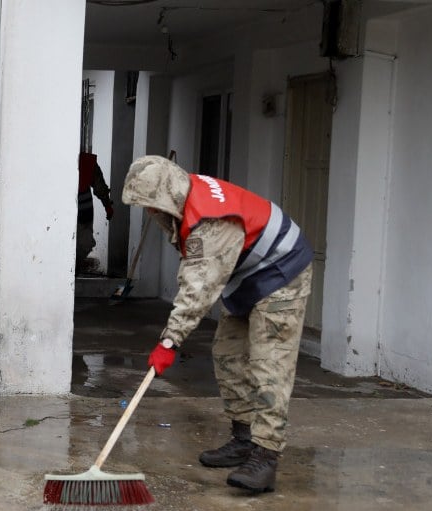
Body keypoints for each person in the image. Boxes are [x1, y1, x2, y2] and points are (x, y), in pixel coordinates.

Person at [120, 154, 313, 493]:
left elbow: (197, 289)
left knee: (270, 364)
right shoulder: (184, 196)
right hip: (246, 274)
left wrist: (169, 342)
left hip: (282, 271)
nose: (149, 213)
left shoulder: (211, 220)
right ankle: (243, 439)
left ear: (166, 195)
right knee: (227, 353)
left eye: (150, 206)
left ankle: (266, 456)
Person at [76, 151, 114, 274]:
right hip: (63, 212)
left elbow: (100, 186)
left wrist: (107, 205)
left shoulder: (87, 161)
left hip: (84, 210)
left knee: (86, 243)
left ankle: (75, 267)